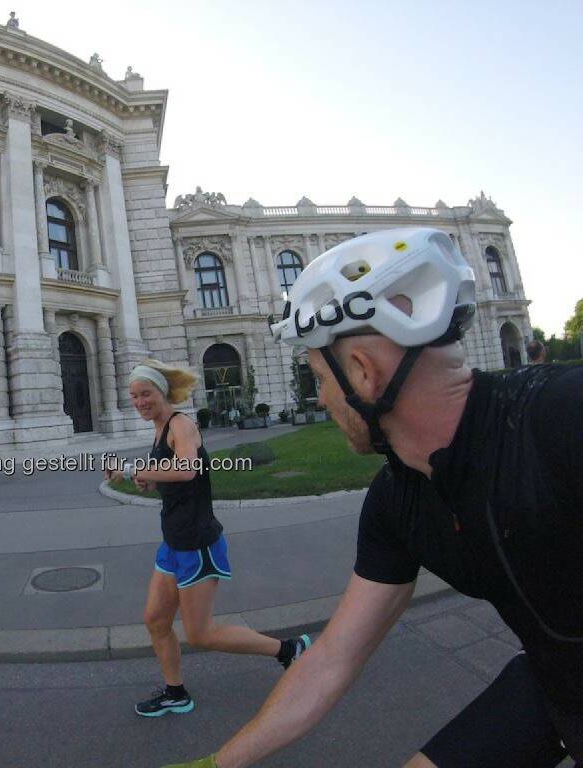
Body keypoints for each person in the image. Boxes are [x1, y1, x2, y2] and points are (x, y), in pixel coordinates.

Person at [164, 227, 583, 767]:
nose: (319, 397)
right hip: (555, 679)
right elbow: (334, 658)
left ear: (363, 373)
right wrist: (222, 763)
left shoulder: (561, 419)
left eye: (319, 377)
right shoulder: (395, 500)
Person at [104, 359, 310, 719]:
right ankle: (175, 692)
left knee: (200, 634)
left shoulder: (181, 424)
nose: (139, 402)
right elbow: (176, 476)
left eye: (146, 394)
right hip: (173, 543)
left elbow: (187, 469)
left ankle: (287, 650)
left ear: (162, 392)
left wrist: (132, 469)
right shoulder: (159, 428)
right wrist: (150, 479)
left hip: (198, 544)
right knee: (155, 620)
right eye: (134, 396)